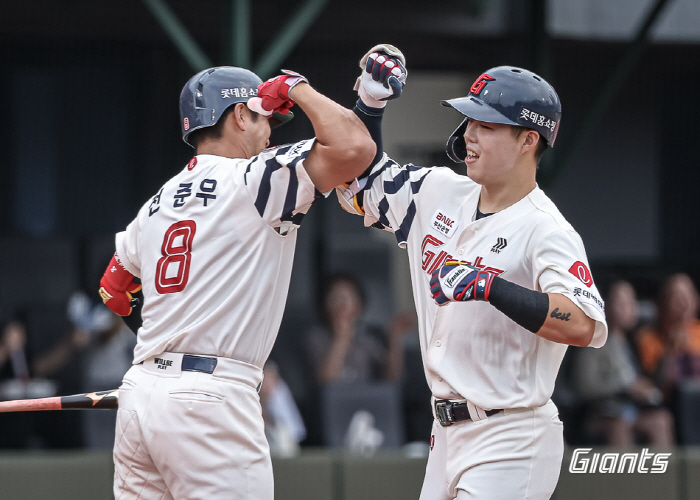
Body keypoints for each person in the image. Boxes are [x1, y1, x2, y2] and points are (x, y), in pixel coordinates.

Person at [96, 59, 378, 499]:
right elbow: (357, 148)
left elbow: (113, 290)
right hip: (211, 400)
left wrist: (165, 350)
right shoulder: (255, 178)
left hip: (141, 393)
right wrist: (296, 87)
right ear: (240, 115)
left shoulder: (155, 203)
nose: (270, 131)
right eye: (264, 117)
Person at [338, 59, 608, 499]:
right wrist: (370, 105)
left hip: (512, 433)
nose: (469, 134)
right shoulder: (440, 189)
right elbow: (360, 183)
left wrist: (489, 285)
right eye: (470, 120)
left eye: (488, 125)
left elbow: (580, 323)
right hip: (444, 433)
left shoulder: (547, 229)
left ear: (528, 140)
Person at [572, 280, 673, 446]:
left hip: (634, 411)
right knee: (619, 425)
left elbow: (651, 380)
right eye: (622, 302)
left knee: (661, 421)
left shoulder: (637, 343)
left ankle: (664, 472)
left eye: (632, 302)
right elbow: (584, 386)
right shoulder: (593, 344)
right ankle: (625, 473)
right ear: (605, 305)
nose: (629, 308)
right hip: (602, 414)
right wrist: (625, 387)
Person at [305, 272, 412, 384]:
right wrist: (341, 339)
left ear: (359, 307)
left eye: (348, 298)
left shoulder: (367, 339)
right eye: (335, 298)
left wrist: (394, 337)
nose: (342, 306)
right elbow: (326, 382)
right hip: (332, 401)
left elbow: (393, 377)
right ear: (325, 306)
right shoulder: (315, 338)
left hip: (365, 399)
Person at [637, 273, 700, 403]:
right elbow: (655, 386)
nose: (684, 303)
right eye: (676, 297)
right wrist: (670, 350)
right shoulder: (648, 338)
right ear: (661, 305)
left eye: (688, 295)